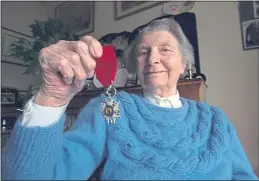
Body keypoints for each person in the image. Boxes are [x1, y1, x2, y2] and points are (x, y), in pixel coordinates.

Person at [2, 18, 258, 180]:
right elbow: (32, 176)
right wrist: (52, 96)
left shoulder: (216, 120)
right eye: (143, 52)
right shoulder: (110, 108)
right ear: (135, 65)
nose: (152, 59)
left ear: (185, 65)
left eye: (165, 49)